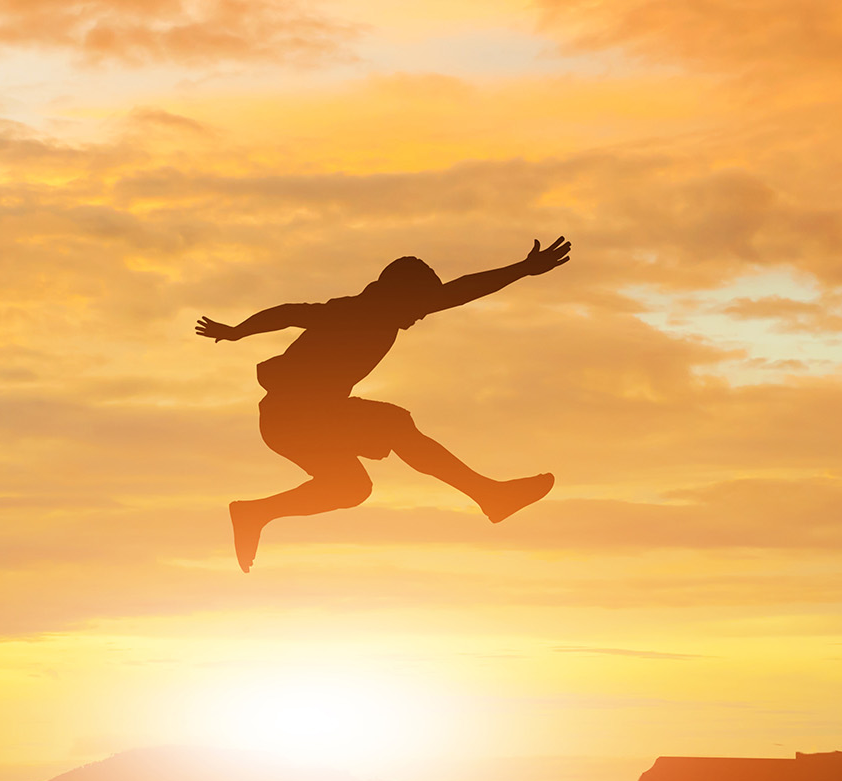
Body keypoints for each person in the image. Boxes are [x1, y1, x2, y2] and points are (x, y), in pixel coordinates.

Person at [196, 237, 572, 572]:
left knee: (350, 488)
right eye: (418, 306)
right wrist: (237, 331)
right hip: (293, 417)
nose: (421, 315)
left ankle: (254, 513)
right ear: (398, 296)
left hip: (298, 422)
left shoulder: (387, 313)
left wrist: (522, 269)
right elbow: (290, 312)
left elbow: (461, 291)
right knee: (395, 425)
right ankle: (491, 496)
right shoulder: (354, 313)